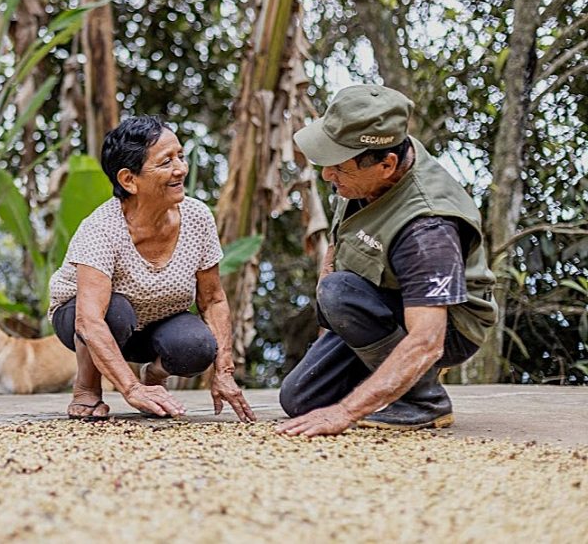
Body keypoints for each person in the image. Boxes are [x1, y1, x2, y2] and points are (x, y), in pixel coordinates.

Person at [277, 85, 498, 437]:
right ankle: (394, 374)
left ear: (387, 165)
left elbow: (428, 340)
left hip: (446, 325)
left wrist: (347, 412)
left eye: (337, 166)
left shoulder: (428, 229)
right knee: (300, 400)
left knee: (339, 292)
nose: (326, 175)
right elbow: (340, 239)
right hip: (379, 302)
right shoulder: (362, 170)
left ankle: (424, 401)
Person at [48, 116, 255, 422]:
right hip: (86, 321)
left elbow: (212, 300)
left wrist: (224, 371)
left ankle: (154, 377)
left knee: (197, 345)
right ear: (129, 180)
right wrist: (130, 389)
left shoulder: (197, 217)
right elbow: (89, 322)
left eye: (180, 157)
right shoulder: (101, 229)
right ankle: (86, 389)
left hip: (156, 323)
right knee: (114, 312)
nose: (181, 169)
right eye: (166, 162)